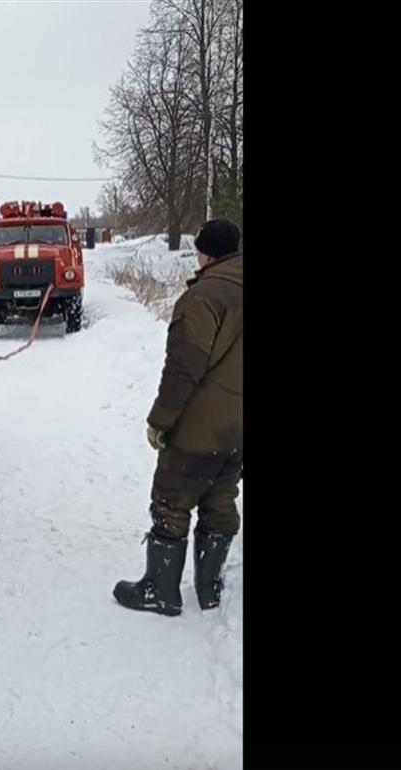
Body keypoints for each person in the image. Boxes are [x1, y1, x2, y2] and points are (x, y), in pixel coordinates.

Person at [114, 219, 243, 615]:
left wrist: (160, 421)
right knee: (220, 500)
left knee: (172, 500)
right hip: (238, 430)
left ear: (206, 254)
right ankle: (210, 590)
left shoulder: (202, 298)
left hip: (199, 427)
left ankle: (160, 591)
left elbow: (183, 369)